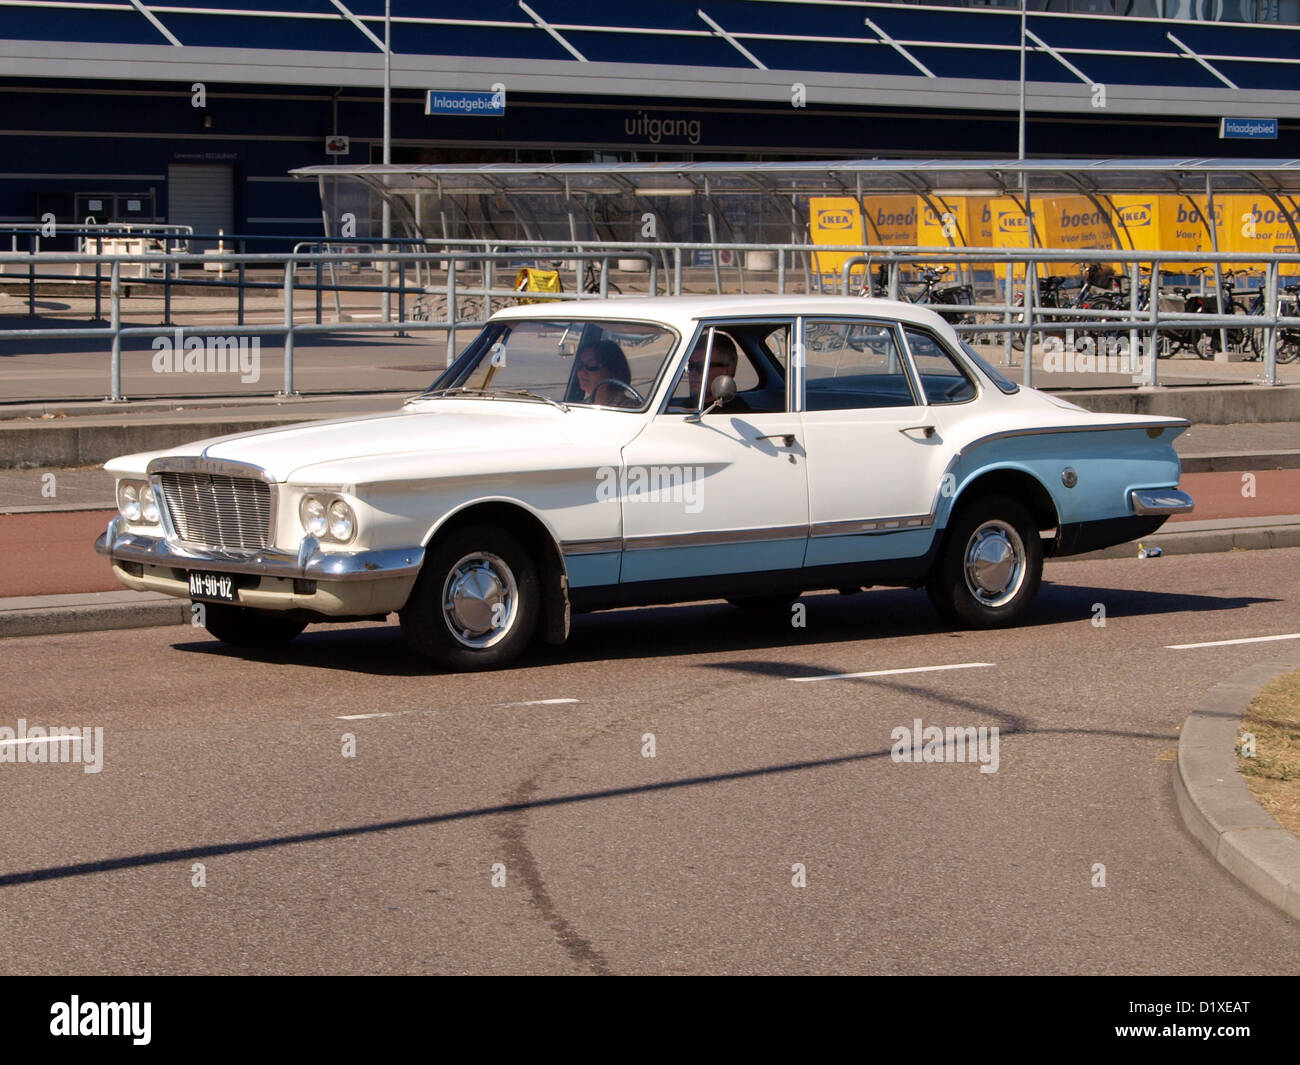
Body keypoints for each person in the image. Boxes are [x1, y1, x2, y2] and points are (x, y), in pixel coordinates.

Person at [678, 332, 751, 413]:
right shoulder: (688, 406)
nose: (692, 373)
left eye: (701, 367)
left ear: (727, 371)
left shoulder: (733, 415)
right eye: (691, 366)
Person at [573, 340, 634, 405]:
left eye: (591, 364)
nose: (582, 372)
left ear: (612, 370)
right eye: (580, 365)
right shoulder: (578, 409)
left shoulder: (631, 409)